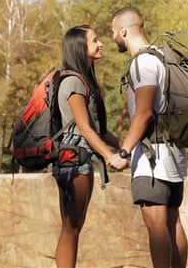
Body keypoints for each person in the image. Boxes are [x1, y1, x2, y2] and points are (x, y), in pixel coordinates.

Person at [111, 7, 188, 268]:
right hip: (174, 154)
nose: (113, 37)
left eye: (113, 32)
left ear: (123, 30)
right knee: (172, 221)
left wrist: (124, 152)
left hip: (152, 158)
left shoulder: (143, 62)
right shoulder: (161, 57)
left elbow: (143, 113)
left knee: (156, 225)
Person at [54, 25, 128, 268]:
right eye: (94, 41)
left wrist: (124, 145)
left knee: (75, 225)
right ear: (79, 48)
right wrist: (109, 156)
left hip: (80, 159)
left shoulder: (85, 81)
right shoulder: (73, 82)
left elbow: (99, 129)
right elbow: (85, 128)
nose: (101, 44)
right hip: (73, 160)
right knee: (71, 227)